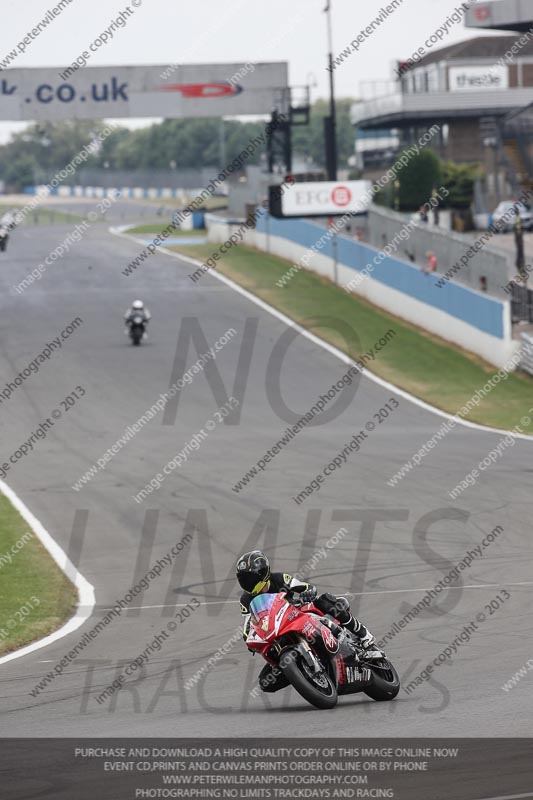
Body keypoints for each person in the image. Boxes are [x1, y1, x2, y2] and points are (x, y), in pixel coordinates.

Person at [236, 550, 380, 693]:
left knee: (324, 601)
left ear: (263, 573)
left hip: (299, 614)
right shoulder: (245, 600)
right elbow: (248, 624)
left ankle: (364, 635)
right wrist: (249, 637)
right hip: (276, 631)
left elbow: (306, 587)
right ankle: (302, 671)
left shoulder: (279, 579)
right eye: (243, 580)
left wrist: (308, 592)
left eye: (249, 579)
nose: (247, 584)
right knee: (265, 681)